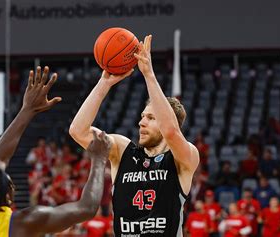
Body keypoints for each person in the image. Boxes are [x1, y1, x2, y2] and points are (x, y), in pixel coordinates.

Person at [0, 66, 111, 237]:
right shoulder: (21, 223)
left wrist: (27, 110)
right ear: (7, 196)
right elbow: (86, 208)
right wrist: (99, 159)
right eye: (11, 185)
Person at [69, 35, 200, 236]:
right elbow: (78, 131)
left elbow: (171, 132)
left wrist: (149, 75)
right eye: (142, 116)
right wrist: (104, 84)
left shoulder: (184, 157)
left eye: (150, 117)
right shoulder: (123, 151)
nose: (141, 122)